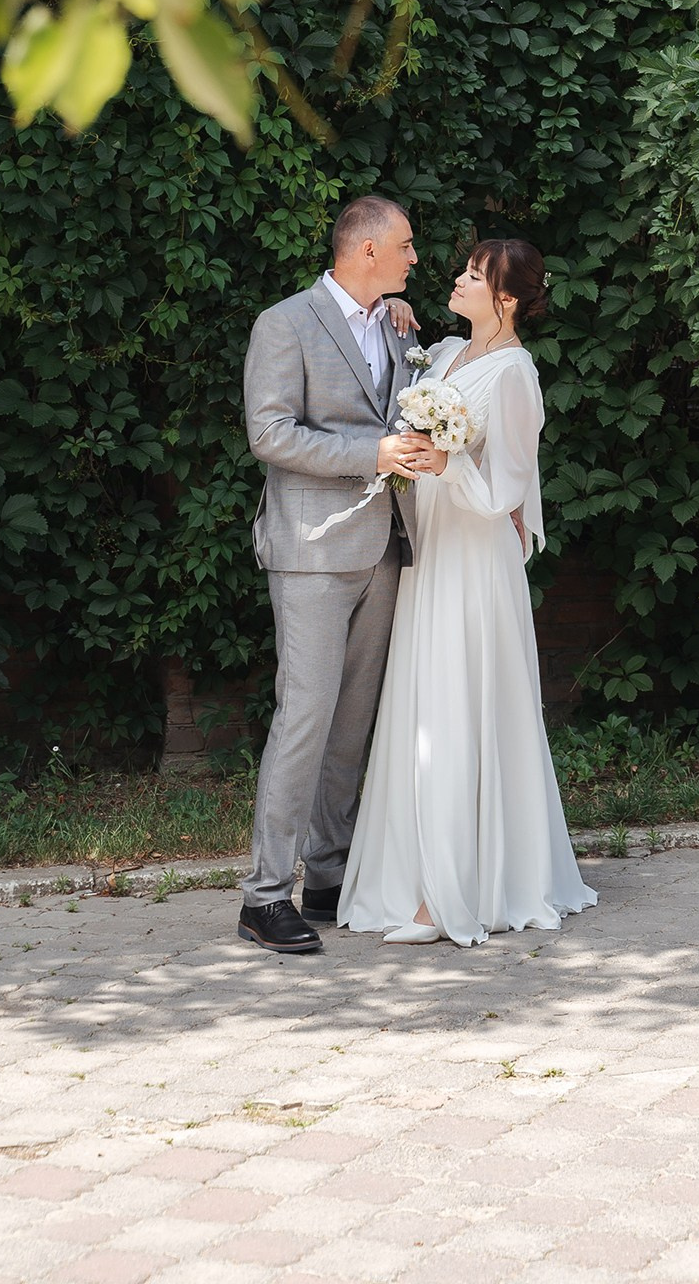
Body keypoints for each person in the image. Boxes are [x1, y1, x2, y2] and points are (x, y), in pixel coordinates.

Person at [340, 234, 597, 947]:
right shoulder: (449, 355)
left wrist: (446, 463)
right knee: (423, 706)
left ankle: (450, 891)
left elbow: (506, 491)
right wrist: (391, 311)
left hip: (476, 563)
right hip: (432, 556)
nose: (456, 279)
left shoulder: (515, 375)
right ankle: (407, 875)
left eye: (473, 275)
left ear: (506, 298)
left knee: (460, 707)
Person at [236, 195, 442, 957]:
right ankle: (263, 896)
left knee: (351, 723)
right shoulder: (284, 324)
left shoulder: (395, 324)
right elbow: (269, 433)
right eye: (406, 246)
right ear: (365, 252)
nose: (414, 258)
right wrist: (374, 455)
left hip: (383, 549)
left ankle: (325, 875)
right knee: (304, 718)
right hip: (312, 552)